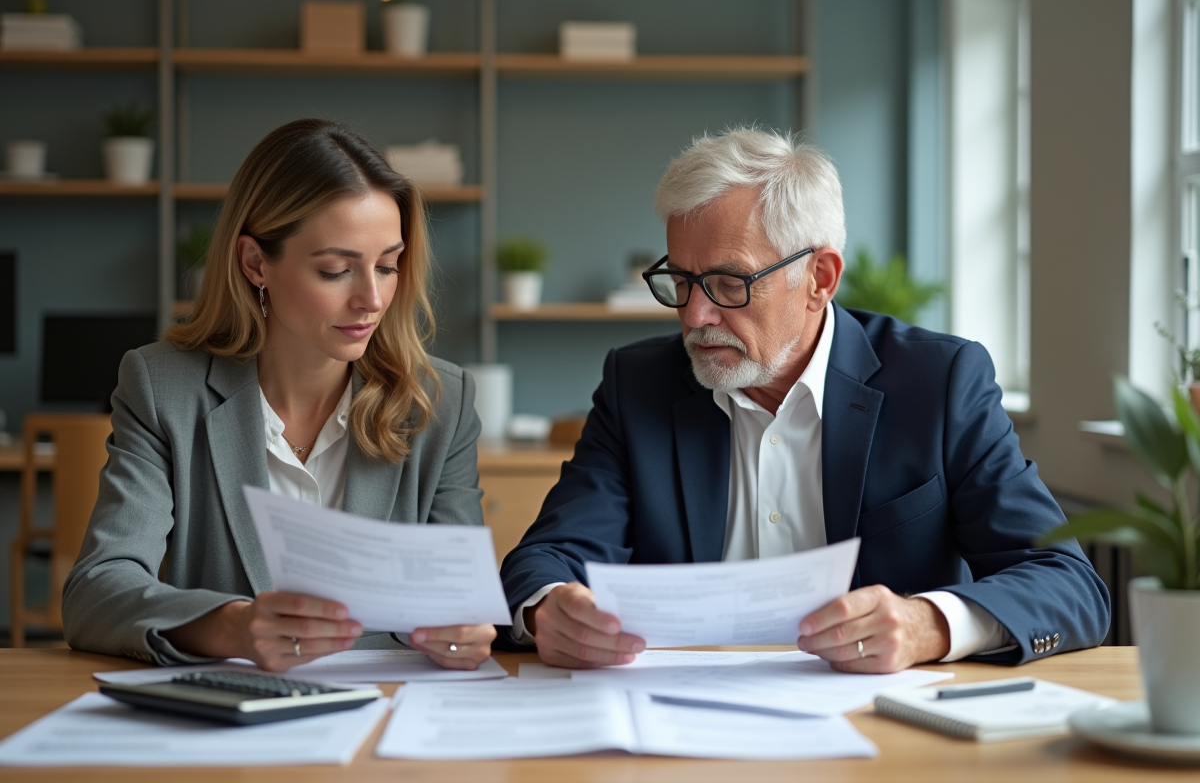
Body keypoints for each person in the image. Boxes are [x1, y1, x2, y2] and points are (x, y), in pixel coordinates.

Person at [500, 128, 1110, 671]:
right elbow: (550, 554)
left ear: (819, 277)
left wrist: (929, 624)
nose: (695, 314)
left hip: (882, 730)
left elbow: (1069, 584)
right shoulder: (639, 384)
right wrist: (549, 608)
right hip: (680, 721)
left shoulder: (939, 382)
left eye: (727, 282)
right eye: (681, 281)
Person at [63, 119, 496, 672]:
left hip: (389, 723)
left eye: (387, 266)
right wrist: (232, 626)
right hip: (233, 726)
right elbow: (96, 592)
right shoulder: (162, 388)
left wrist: (466, 628)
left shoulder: (441, 401)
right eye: (336, 270)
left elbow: (466, 603)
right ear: (255, 263)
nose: (372, 298)